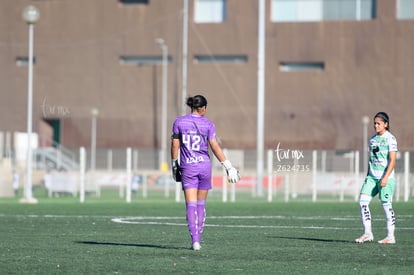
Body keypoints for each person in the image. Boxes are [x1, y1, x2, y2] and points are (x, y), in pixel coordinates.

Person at [171, 95, 240, 251]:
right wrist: (228, 166)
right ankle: (198, 239)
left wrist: (174, 165)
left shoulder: (179, 122)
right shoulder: (208, 124)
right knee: (201, 204)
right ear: (203, 108)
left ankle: (194, 241)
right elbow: (214, 146)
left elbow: (175, 146)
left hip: (188, 167)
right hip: (204, 167)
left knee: (191, 204)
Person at [355, 112, 398, 244]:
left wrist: (385, 178)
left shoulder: (391, 139)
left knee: (386, 205)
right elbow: (372, 159)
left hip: (386, 178)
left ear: (386, 124)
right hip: (372, 178)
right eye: (374, 123)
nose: (375, 125)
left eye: (378, 123)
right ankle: (368, 233)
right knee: (363, 202)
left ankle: (391, 236)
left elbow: (392, 160)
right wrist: (368, 175)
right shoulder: (372, 139)